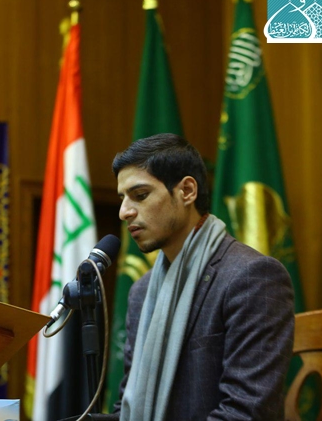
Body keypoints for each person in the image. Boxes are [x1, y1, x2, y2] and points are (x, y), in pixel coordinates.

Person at [111, 133, 295, 421]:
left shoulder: (252, 277)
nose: (124, 212)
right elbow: (127, 407)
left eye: (141, 195)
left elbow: (246, 412)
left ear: (187, 191)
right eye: (122, 199)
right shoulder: (142, 292)